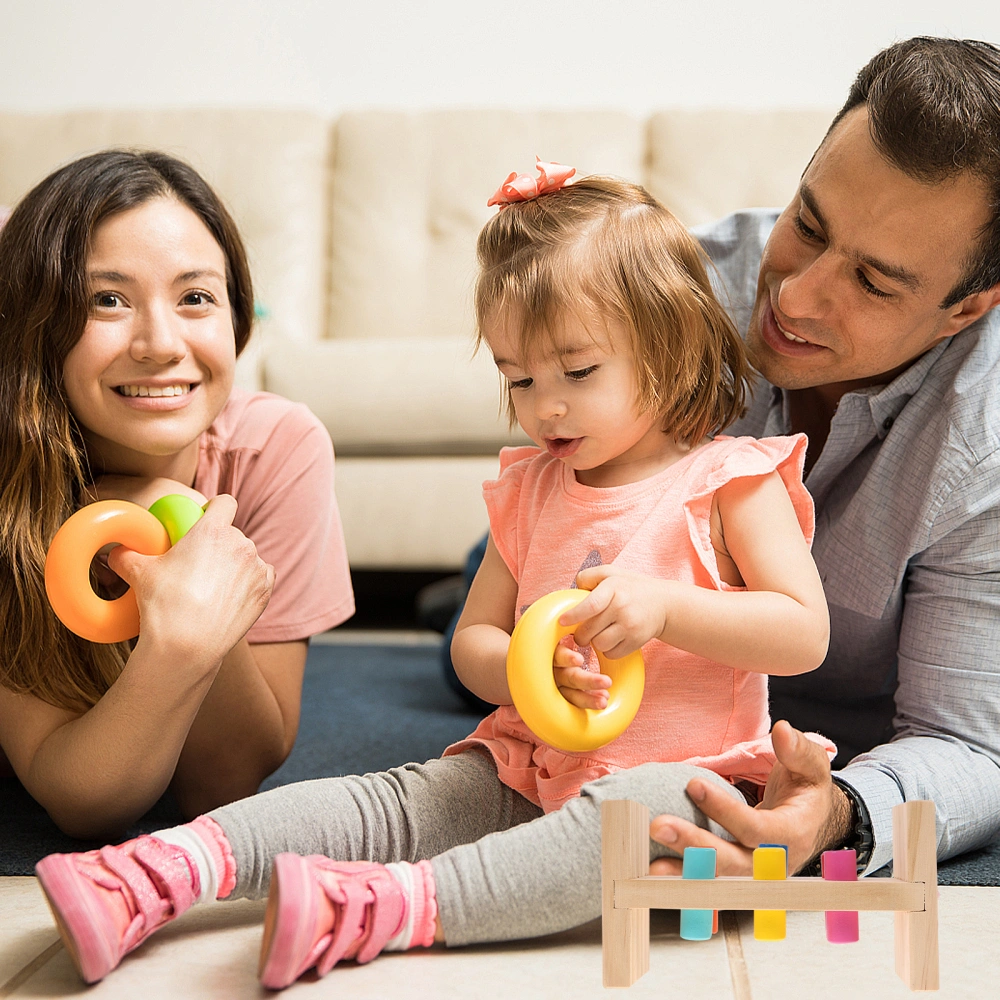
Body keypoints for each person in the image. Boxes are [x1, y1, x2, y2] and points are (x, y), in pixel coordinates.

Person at [34, 166, 832, 988]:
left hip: (689, 780)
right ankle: (156, 870)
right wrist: (527, 660)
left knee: (632, 826)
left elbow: (803, 633)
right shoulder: (529, 491)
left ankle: (391, 905)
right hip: (533, 761)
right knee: (398, 799)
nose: (544, 407)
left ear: (669, 347)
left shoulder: (733, 480)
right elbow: (473, 642)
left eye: (578, 374)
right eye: (519, 379)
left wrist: (668, 607)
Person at [644, 36, 1000, 882]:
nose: (794, 297)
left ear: (966, 310)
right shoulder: (666, 294)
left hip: (835, 711)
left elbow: (968, 745)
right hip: (639, 656)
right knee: (462, 656)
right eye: (807, 225)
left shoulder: (988, 448)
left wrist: (836, 813)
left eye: (874, 284)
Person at [0, 151, 354, 840]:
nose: (161, 344)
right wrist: (179, 640)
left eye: (195, 297)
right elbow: (79, 798)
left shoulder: (276, 447)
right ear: (36, 327)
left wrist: (180, 534)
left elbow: (223, 784)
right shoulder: (15, 476)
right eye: (106, 299)